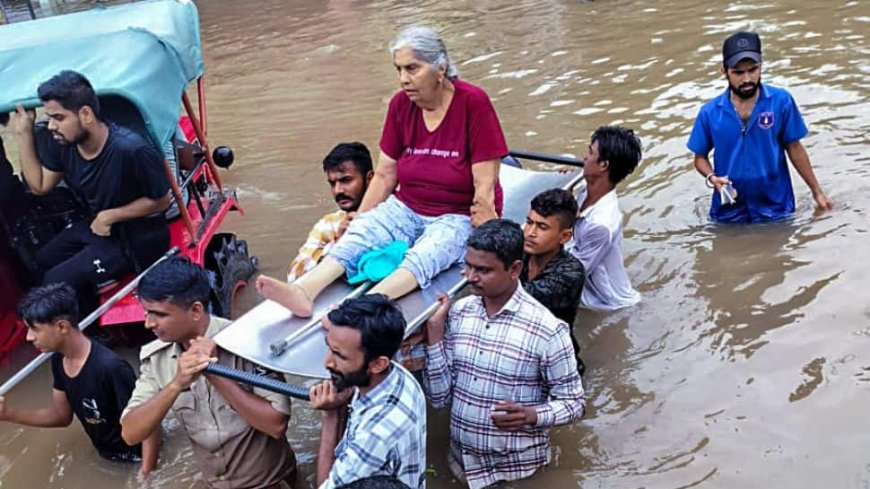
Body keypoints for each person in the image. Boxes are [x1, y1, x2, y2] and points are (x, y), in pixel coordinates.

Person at [257, 25, 507, 318]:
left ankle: (367, 303)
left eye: (413, 68)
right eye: (399, 69)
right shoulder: (400, 105)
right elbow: (386, 174)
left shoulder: (473, 103)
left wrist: (486, 229)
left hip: (457, 212)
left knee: (431, 250)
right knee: (362, 232)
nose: (404, 79)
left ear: (440, 67)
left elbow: (485, 184)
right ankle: (304, 291)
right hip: (407, 205)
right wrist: (358, 218)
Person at [424, 219, 585, 489]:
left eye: (483, 270)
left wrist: (532, 415)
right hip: (460, 465)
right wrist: (435, 333)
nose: (471, 277)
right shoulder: (461, 312)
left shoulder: (547, 330)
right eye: (469, 266)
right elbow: (439, 397)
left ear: (514, 269)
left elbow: (574, 404)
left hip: (515, 474)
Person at [120, 257, 297, 489]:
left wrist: (212, 371)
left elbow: (275, 425)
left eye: (159, 314)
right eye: (147, 313)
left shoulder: (247, 342)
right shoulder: (157, 358)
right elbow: (131, 433)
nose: (148, 324)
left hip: (270, 483)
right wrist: (176, 384)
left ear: (195, 310)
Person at [8, 70, 170, 312]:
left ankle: (92, 335)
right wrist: (24, 134)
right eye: (49, 117)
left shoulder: (130, 149)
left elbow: (162, 201)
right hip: (97, 226)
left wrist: (111, 215)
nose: (51, 126)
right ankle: (92, 291)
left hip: (136, 237)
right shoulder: (65, 144)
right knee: (41, 260)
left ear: (85, 114)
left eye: (59, 118)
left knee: (55, 280)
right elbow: (39, 186)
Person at [0, 283, 159, 477]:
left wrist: (146, 474)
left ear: (61, 327)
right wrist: (8, 414)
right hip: (107, 457)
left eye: (34, 329)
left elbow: (149, 425)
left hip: (135, 458)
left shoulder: (111, 368)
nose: (28, 337)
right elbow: (61, 416)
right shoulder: (59, 359)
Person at [688, 31, 833, 223]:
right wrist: (713, 178)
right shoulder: (710, 112)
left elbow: (794, 147)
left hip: (776, 207)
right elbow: (699, 158)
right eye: (738, 72)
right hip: (728, 212)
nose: (747, 79)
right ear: (724, 71)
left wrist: (817, 192)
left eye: (753, 69)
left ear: (761, 66)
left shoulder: (781, 102)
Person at [309, 294, 426, 489]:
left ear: (378, 364)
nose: (327, 362)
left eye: (339, 355)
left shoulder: (374, 438)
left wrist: (330, 417)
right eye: (329, 348)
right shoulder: (402, 377)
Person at [567, 126, 642, 311]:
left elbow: (571, 276)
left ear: (603, 165)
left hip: (607, 305)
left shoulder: (601, 224)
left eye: (590, 152)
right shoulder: (588, 188)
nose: (585, 157)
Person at [521, 188, 586, 375]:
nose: (530, 233)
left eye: (542, 227)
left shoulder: (571, 271)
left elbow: (520, 297)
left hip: (554, 361)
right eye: (529, 222)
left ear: (564, 236)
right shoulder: (519, 253)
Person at [286, 142, 374, 282]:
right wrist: (338, 244)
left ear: (369, 179)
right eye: (332, 183)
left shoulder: (391, 216)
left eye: (346, 180)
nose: (338, 190)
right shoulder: (329, 224)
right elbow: (293, 275)